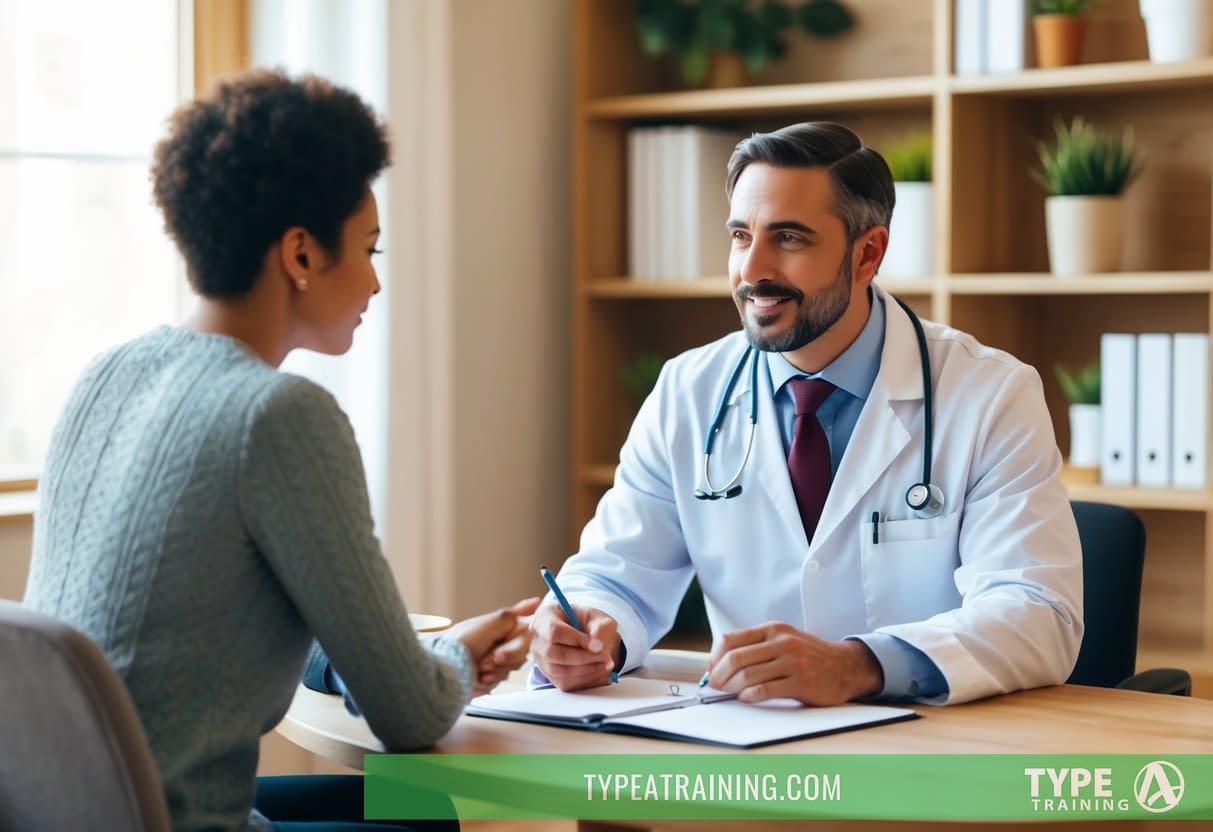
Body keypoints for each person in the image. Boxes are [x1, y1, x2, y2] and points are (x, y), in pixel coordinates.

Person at [23, 69, 538, 832]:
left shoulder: (106, 374)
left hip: (64, 814)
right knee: (424, 811)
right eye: (369, 248)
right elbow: (413, 717)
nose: (373, 282)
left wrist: (386, 658)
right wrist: (456, 663)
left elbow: (197, 623)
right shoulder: (279, 414)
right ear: (300, 254)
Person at [530, 121, 1083, 707]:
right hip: (746, 755)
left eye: (788, 239)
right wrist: (588, 629)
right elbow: (615, 574)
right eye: (742, 236)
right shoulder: (688, 391)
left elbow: (1039, 614)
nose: (753, 270)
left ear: (867, 254)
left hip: (926, 757)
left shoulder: (990, 394)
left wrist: (857, 666)